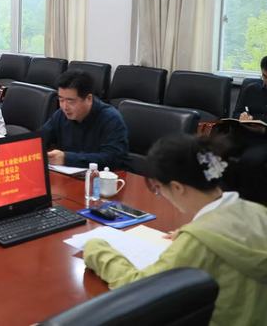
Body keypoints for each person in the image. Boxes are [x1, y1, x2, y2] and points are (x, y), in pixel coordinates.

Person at [83, 134, 267, 325]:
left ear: (177, 187)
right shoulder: (258, 211)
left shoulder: (198, 241)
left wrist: (96, 249)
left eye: (158, 188)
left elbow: (140, 289)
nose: (161, 194)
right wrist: (195, 231)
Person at [42, 70, 128, 169]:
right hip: (68, 175)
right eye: (61, 100)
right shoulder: (61, 114)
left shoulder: (111, 119)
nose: (64, 107)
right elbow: (41, 138)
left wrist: (67, 158)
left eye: (71, 101)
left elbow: (113, 158)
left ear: (89, 99)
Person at [233, 56, 267, 121]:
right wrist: (241, 116)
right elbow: (235, 114)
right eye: (265, 76)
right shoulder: (251, 89)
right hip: (248, 126)